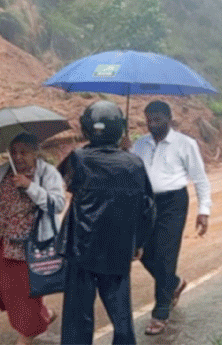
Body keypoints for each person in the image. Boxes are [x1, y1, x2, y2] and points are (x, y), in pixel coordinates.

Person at [57, 100, 155, 345]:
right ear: (120, 129)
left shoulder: (78, 158)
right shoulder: (134, 163)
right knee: (121, 316)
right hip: (118, 249)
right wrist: (139, 243)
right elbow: (148, 208)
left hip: (82, 248)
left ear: (86, 128)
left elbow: (67, 182)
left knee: (77, 318)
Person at [129, 100, 212, 335]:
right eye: (148, 119)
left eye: (156, 119)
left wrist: (203, 210)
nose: (151, 124)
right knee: (141, 251)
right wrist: (125, 151)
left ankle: (161, 312)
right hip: (146, 203)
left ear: (168, 118)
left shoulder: (185, 144)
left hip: (173, 203)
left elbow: (200, 178)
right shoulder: (139, 145)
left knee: (166, 254)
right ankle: (174, 283)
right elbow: (131, 171)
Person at [0, 132, 66, 345]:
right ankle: (44, 315)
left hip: (30, 243)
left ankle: (27, 333)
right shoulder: (1, 173)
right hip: (2, 241)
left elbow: (58, 204)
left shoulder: (47, 173)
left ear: (36, 152)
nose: (18, 157)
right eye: (13, 152)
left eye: (24, 152)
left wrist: (29, 186)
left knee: (25, 292)